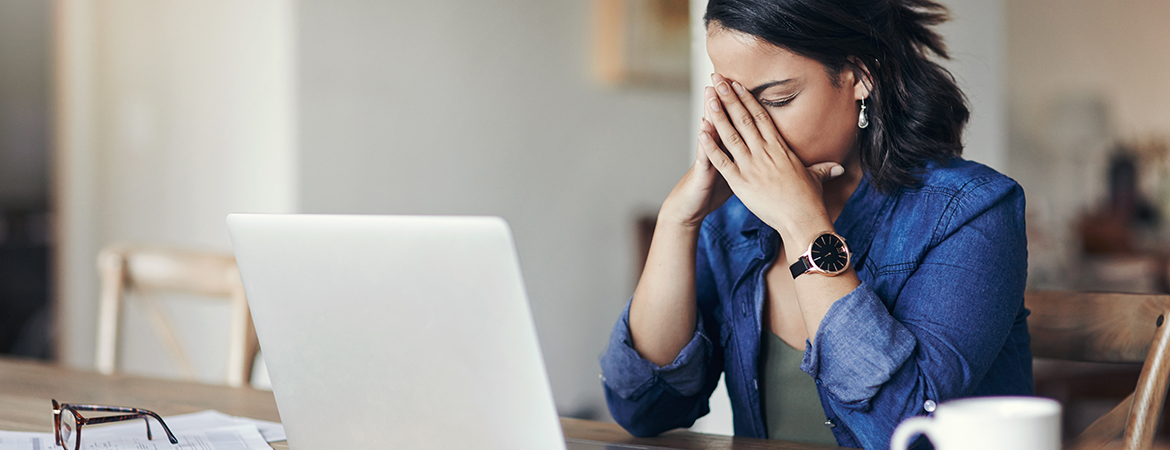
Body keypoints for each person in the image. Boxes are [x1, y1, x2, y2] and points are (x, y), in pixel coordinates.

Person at [598, 0, 1032, 448]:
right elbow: (644, 408)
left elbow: (902, 433)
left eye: (777, 99)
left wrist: (801, 223)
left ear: (861, 75)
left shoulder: (972, 212)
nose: (753, 130)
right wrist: (679, 219)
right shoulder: (731, 222)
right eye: (735, 103)